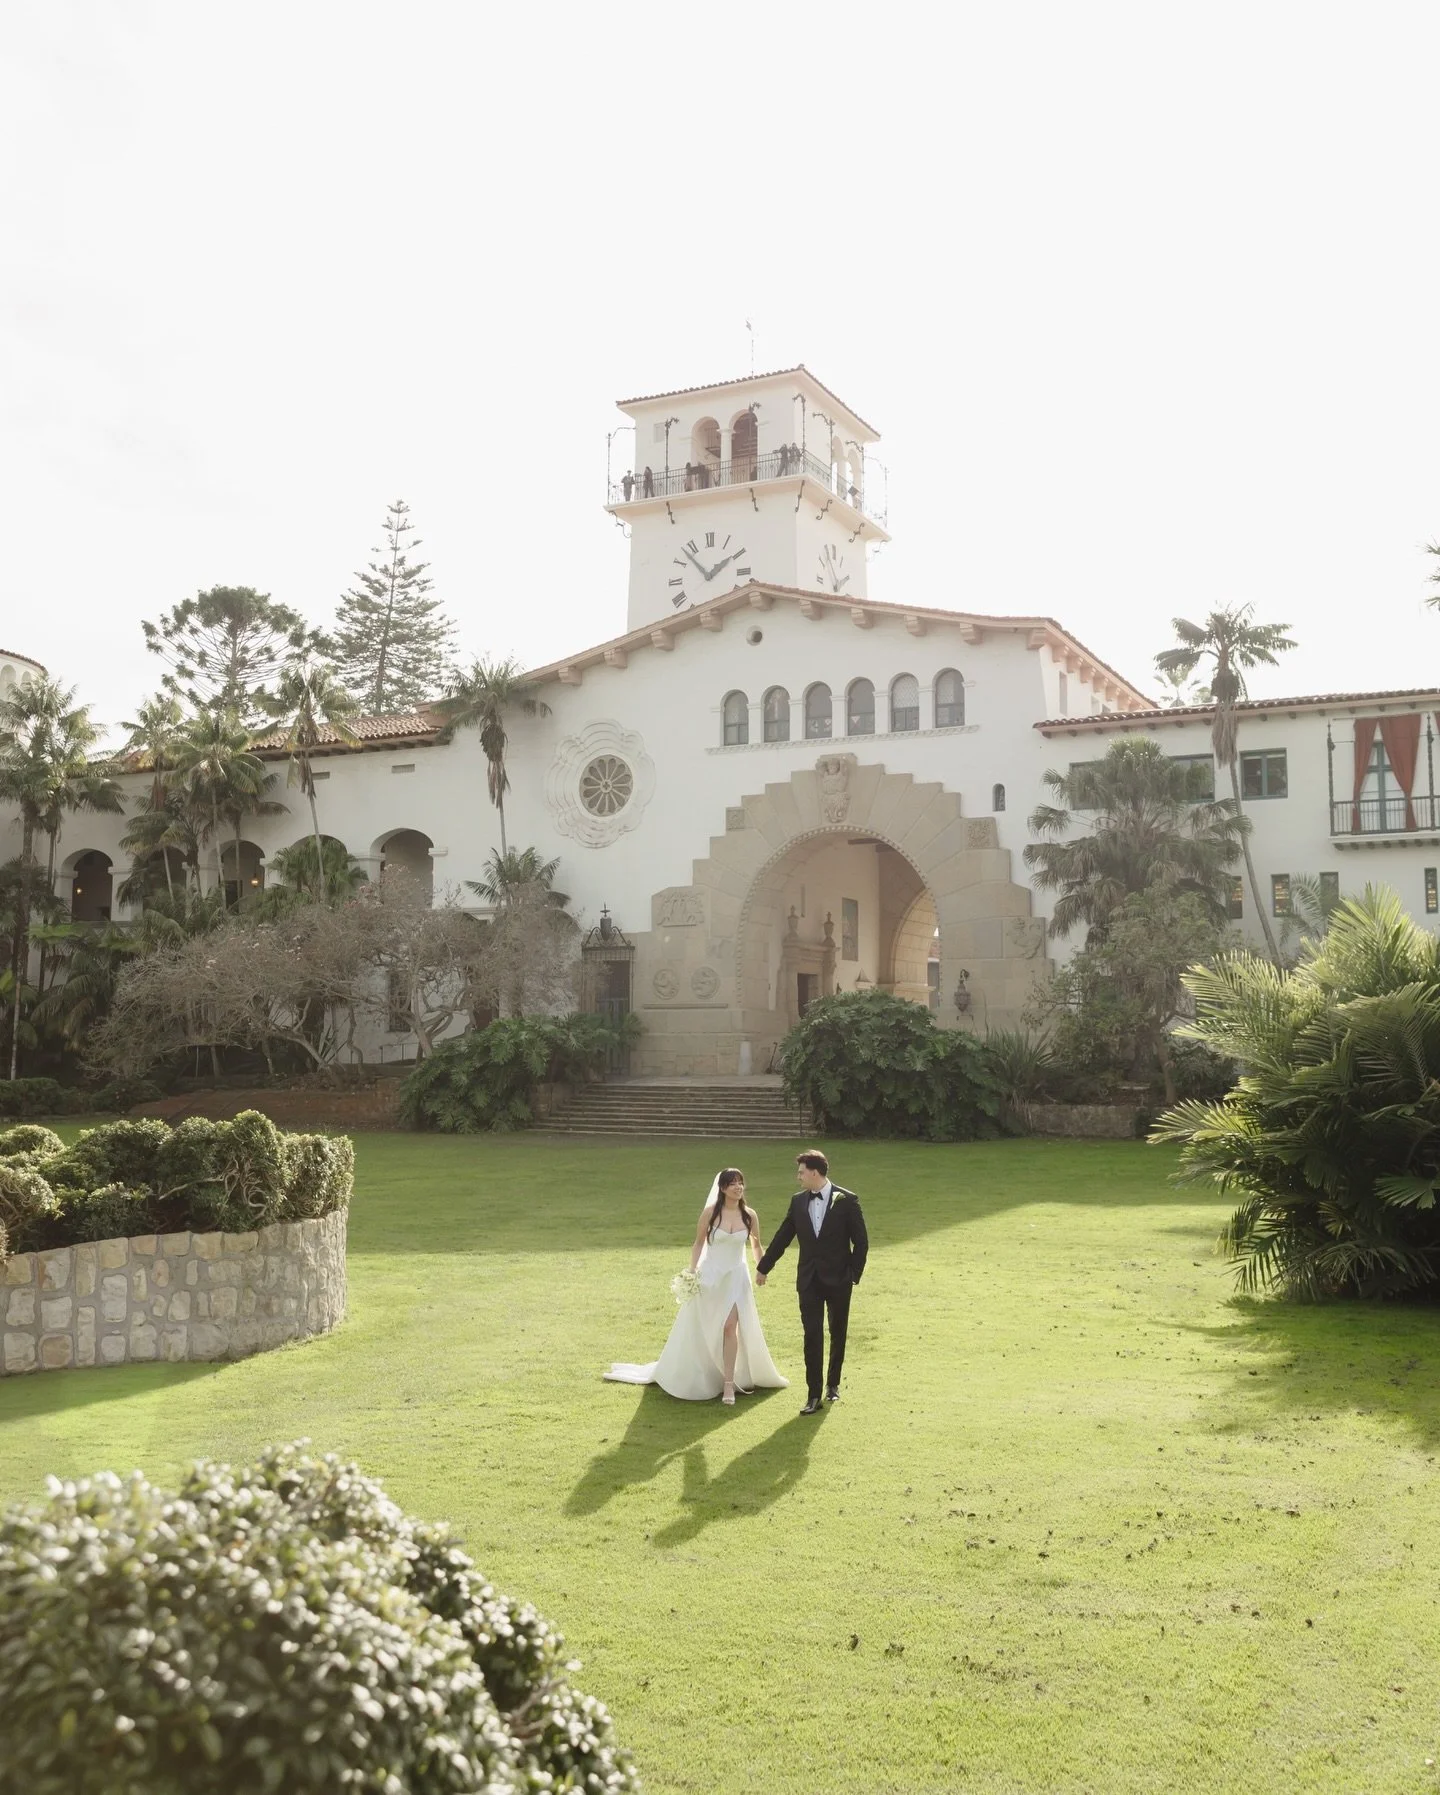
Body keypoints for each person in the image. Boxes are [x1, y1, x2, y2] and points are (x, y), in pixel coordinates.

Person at [606, 1169, 788, 1404]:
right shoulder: (711, 1213)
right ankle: (702, 1372)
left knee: (729, 1326)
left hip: (736, 1278)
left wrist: (761, 1268)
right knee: (706, 1327)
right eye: (732, 1183)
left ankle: (729, 1384)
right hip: (711, 1277)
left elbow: (755, 1244)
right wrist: (691, 1272)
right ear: (722, 1188)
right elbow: (698, 1243)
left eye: (740, 1183)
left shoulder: (749, 1215)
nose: (738, 1187)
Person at [755, 1149, 867, 1415]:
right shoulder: (797, 1203)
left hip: (840, 1279)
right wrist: (763, 1267)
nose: (798, 1177)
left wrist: (853, 1274)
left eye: (801, 1172)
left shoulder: (847, 1200)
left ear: (815, 1173)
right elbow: (783, 1236)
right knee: (812, 1335)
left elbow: (861, 1242)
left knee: (837, 1332)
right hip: (809, 1281)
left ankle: (833, 1385)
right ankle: (813, 1394)